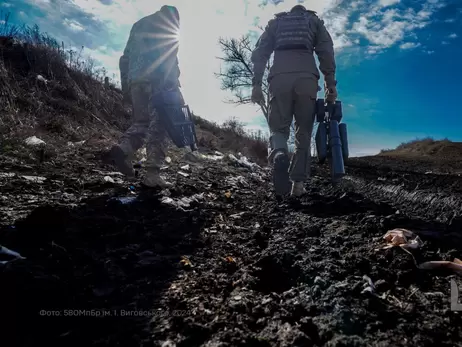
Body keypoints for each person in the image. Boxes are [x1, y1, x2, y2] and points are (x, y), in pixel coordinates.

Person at [250, 4, 338, 197]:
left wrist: (256, 84)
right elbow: (326, 51)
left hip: (280, 77)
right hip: (307, 79)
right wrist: (330, 84)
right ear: (304, 11)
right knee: (303, 132)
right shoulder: (314, 21)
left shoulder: (277, 22)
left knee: (279, 128)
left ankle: (280, 153)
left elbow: (260, 52)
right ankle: (297, 185)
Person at [106, 5, 183, 188]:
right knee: (161, 126)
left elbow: (124, 58)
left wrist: (126, 87)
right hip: (157, 82)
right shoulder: (167, 27)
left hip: (135, 81)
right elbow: (169, 57)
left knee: (141, 123)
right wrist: (171, 84)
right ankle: (152, 175)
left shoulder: (138, 25)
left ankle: (124, 149)